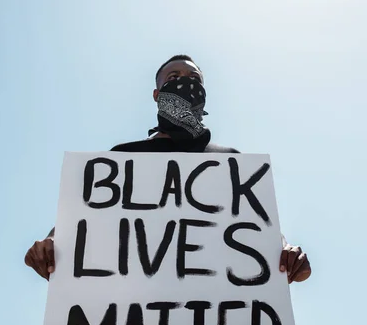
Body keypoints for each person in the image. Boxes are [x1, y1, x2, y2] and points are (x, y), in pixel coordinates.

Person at [25, 55, 311, 284]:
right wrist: (52, 241)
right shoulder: (124, 157)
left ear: (204, 93)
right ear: (156, 93)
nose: (184, 82)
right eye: (173, 78)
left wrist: (285, 251)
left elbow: (255, 226)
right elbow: (86, 218)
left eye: (193, 79)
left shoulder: (230, 162)